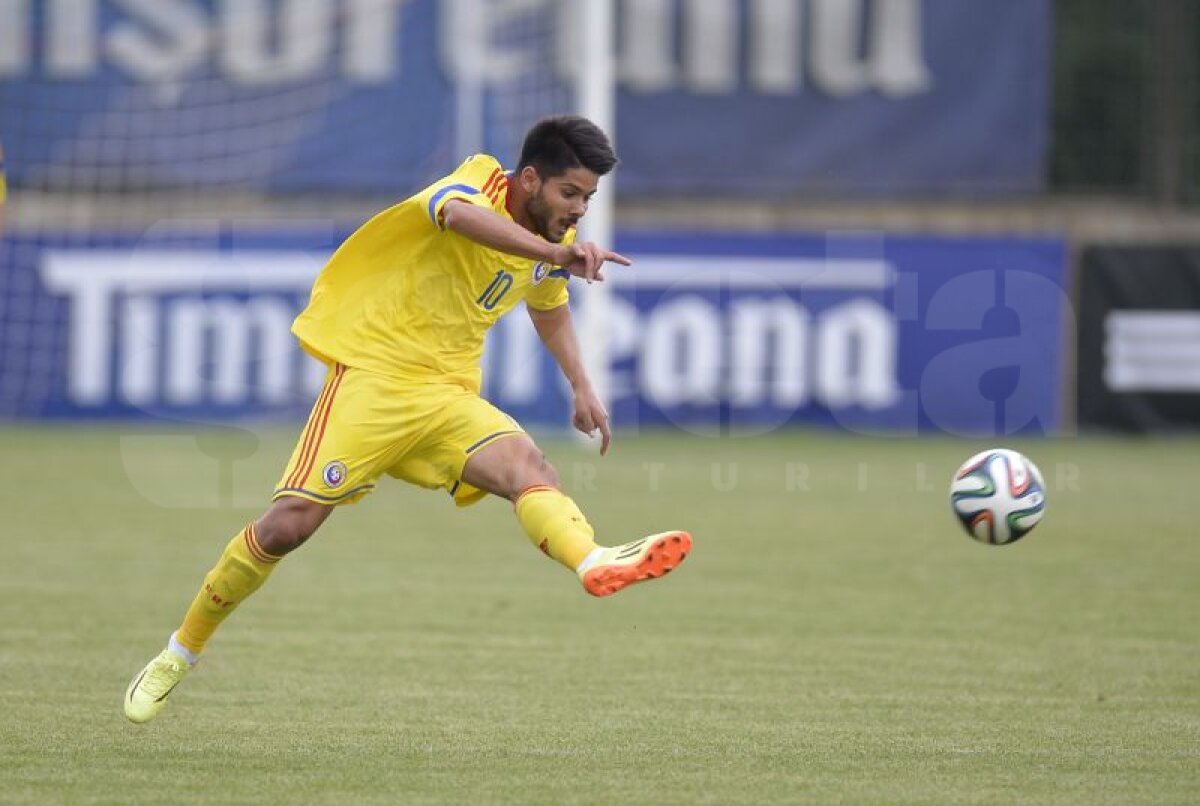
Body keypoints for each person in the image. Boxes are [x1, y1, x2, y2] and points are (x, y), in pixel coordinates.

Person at [124, 116, 692, 723]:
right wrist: (555, 252)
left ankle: (593, 560)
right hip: (372, 382)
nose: (578, 211)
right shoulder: (477, 180)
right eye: (569, 194)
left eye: (587, 199)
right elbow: (453, 215)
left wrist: (582, 385)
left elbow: (548, 304)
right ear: (529, 179)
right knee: (288, 527)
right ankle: (179, 652)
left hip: (447, 397)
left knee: (528, 466)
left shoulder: (550, 245)